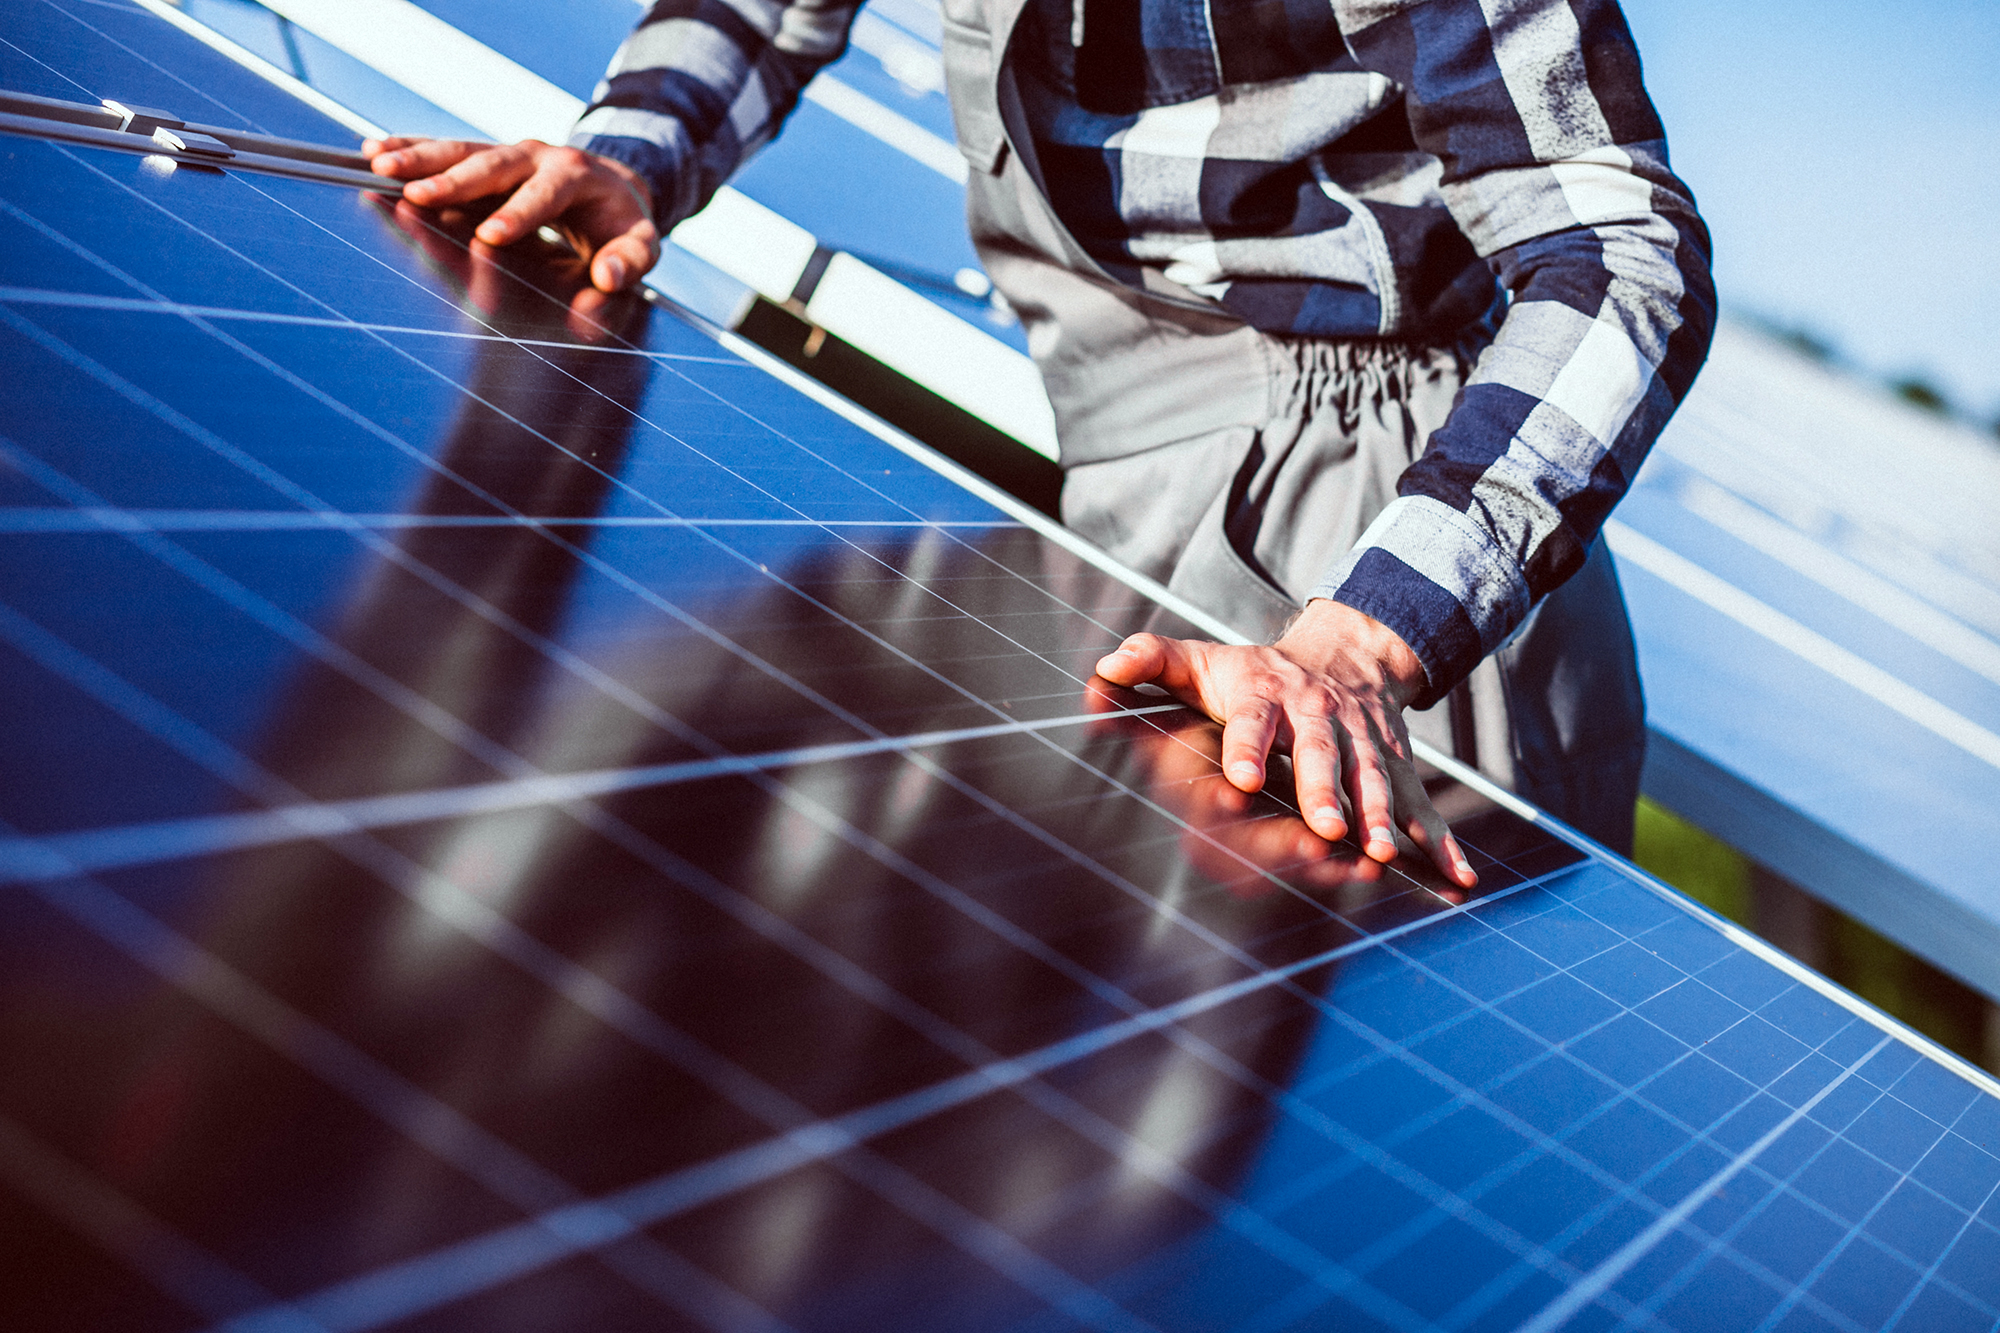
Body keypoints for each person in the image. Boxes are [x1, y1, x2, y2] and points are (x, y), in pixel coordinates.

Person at [363, 0, 1713, 887]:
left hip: (1383, 552)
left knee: (1399, 1181)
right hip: (1129, 497)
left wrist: (1367, 635)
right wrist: (634, 153)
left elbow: (1620, 254)